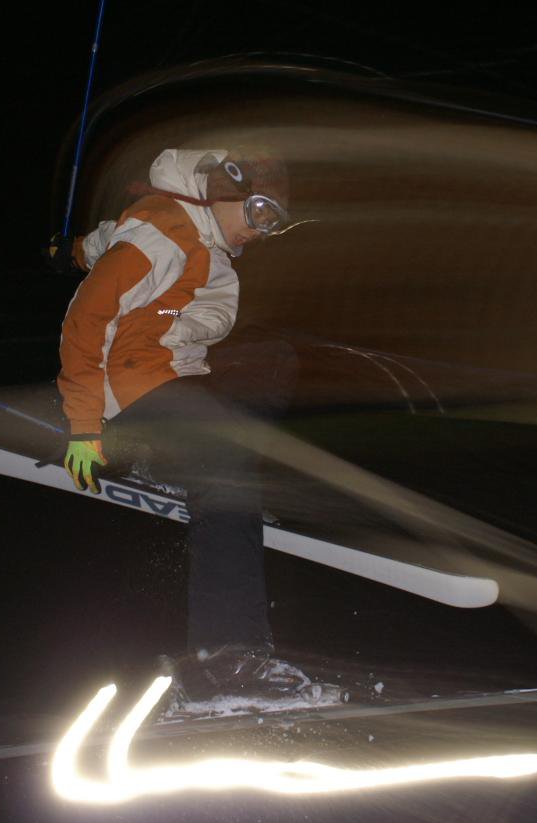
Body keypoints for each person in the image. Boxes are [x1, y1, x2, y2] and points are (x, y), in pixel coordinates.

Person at [50, 146, 329, 707]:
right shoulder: (165, 236)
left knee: (272, 357)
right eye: (258, 214)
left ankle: (205, 467)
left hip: (171, 377)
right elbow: (85, 321)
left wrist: (72, 250)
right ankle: (226, 662)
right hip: (130, 388)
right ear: (224, 196)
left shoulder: (199, 239)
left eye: (274, 222)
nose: (262, 231)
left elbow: (102, 243)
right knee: (225, 473)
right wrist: (84, 428)